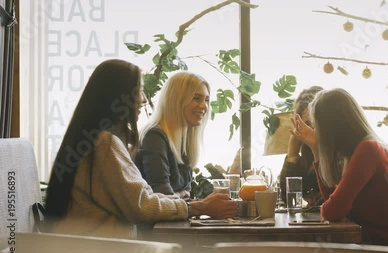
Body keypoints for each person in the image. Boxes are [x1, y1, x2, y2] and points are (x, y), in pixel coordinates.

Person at [44, 60, 237, 239]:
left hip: (98, 252)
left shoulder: (95, 140)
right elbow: (143, 206)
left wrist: (193, 204)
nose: (144, 99)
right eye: (139, 91)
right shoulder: (104, 144)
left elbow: (144, 198)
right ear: (118, 97)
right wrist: (197, 207)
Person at [291, 88, 388, 250]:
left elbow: (332, 211)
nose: (318, 133)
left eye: (318, 127)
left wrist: (318, 150)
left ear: (331, 129)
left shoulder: (368, 150)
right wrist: (316, 149)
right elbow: (331, 201)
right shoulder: (359, 150)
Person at [136, 71, 210, 200]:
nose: (204, 106)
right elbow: (162, 196)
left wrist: (179, 195)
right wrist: (180, 195)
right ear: (177, 100)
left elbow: (185, 194)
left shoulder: (184, 141)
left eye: (207, 100)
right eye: (196, 98)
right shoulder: (154, 136)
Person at [279, 86, 323, 207]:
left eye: (316, 123)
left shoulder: (340, 153)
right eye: (307, 124)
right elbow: (287, 199)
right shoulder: (306, 154)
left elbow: (323, 201)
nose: (311, 130)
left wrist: (316, 148)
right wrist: (293, 148)